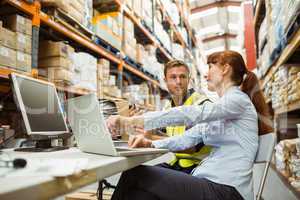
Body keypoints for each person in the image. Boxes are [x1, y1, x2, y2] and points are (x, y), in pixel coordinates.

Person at [107, 50, 273, 200]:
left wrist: (130, 121)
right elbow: (188, 138)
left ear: (225, 69)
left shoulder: (237, 100)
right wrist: (150, 143)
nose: (206, 74)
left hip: (226, 190)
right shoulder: (222, 108)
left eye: (210, 67)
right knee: (140, 192)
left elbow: (190, 113)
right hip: (207, 181)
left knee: (136, 174)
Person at [142, 59, 211, 174]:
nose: (178, 81)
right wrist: (145, 127)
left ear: (189, 80)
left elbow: (190, 147)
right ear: (165, 81)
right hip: (177, 164)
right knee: (135, 173)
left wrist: (148, 140)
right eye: (173, 77)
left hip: (198, 168)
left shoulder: (200, 104)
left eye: (183, 77)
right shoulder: (169, 107)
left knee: (141, 177)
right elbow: (155, 133)